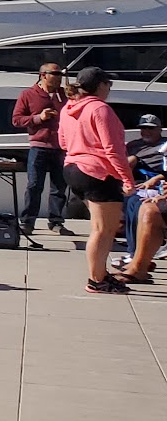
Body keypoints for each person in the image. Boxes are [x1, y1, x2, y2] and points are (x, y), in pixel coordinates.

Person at [55, 67, 136, 293]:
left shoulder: (68, 107)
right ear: (100, 85)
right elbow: (113, 149)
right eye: (109, 83)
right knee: (104, 230)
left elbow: (63, 142)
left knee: (99, 227)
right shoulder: (100, 109)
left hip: (73, 168)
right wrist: (127, 178)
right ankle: (96, 279)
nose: (110, 88)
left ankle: (99, 274)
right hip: (98, 172)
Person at [11, 62, 70, 235]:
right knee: (34, 185)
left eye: (60, 74)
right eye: (56, 74)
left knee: (59, 187)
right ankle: (28, 222)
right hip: (39, 146)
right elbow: (16, 120)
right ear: (43, 75)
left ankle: (56, 222)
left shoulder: (65, 94)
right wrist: (39, 118)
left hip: (61, 147)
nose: (60, 77)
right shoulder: (28, 94)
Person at [115, 114, 167, 282]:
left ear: (160, 129)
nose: (146, 131)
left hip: (154, 183)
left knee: (143, 207)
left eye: (151, 128)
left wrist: (155, 180)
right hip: (137, 182)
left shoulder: (164, 146)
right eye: (143, 127)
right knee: (132, 200)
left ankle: (139, 257)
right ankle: (134, 254)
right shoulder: (133, 146)